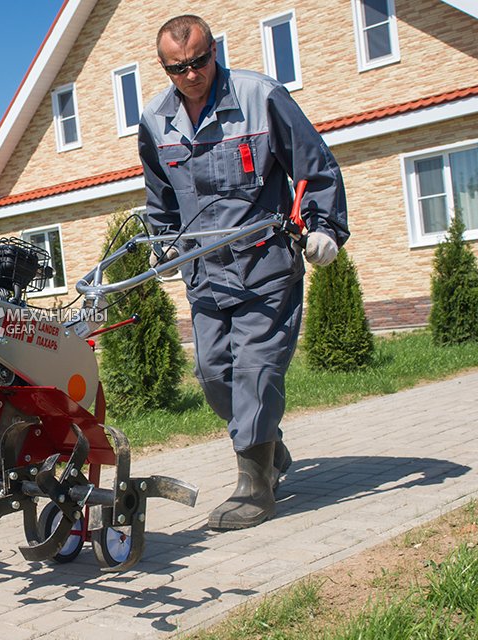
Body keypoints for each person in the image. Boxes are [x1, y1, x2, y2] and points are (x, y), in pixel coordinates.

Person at [138, 15, 349, 530]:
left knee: (256, 372)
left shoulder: (261, 96)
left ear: (215, 51)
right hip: (206, 276)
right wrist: (163, 245)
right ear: (165, 68)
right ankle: (269, 448)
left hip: (265, 267)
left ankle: (255, 489)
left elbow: (314, 164)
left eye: (199, 62)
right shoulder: (155, 121)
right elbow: (161, 197)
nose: (190, 75)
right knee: (214, 376)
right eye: (177, 68)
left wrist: (325, 228)